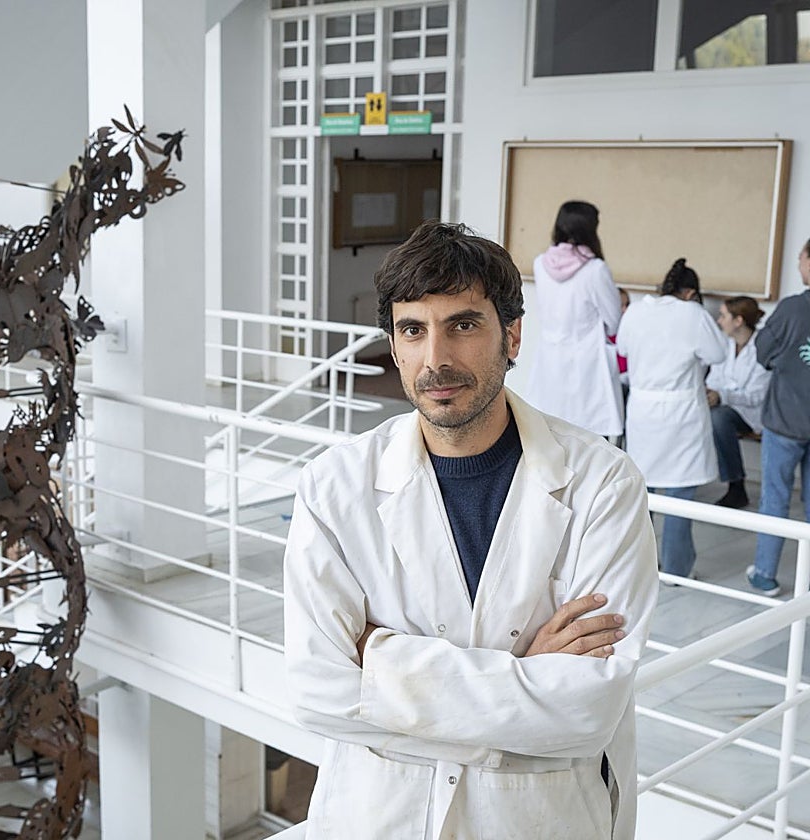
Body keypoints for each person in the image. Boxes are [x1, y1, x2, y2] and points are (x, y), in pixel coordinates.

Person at [284, 221, 658, 840]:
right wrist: (525, 676)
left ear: (511, 335)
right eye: (413, 330)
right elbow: (318, 691)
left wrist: (382, 661)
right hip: (379, 820)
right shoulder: (334, 487)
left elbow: (588, 707)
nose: (437, 359)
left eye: (463, 324)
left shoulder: (603, 484)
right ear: (394, 346)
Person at [615, 259, 724, 579]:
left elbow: (622, 346)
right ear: (690, 292)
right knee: (679, 495)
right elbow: (717, 355)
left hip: (643, 411)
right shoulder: (693, 314)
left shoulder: (635, 311)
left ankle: (638, 569)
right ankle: (676, 570)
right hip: (681, 413)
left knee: (641, 495)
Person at [527, 200, 624, 438]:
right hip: (587, 368)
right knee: (588, 444)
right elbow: (614, 320)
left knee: (551, 436)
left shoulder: (540, 264)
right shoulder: (595, 269)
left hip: (549, 363)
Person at [746, 240, 810, 595]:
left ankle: (765, 574)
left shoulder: (791, 309)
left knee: (775, 497)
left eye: (800, 257)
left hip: (786, 419)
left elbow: (763, 351)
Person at [705, 296, 770, 508]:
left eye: (723, 316)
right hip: (727, 407)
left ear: (738, 320)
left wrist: (723, 395)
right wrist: (719, 394)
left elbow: (755, 396)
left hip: (752, 414)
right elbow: (712, 380)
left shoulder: (762, 349)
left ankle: (736, 486)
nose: (719, 321)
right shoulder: (724, 345)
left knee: (719, 418)